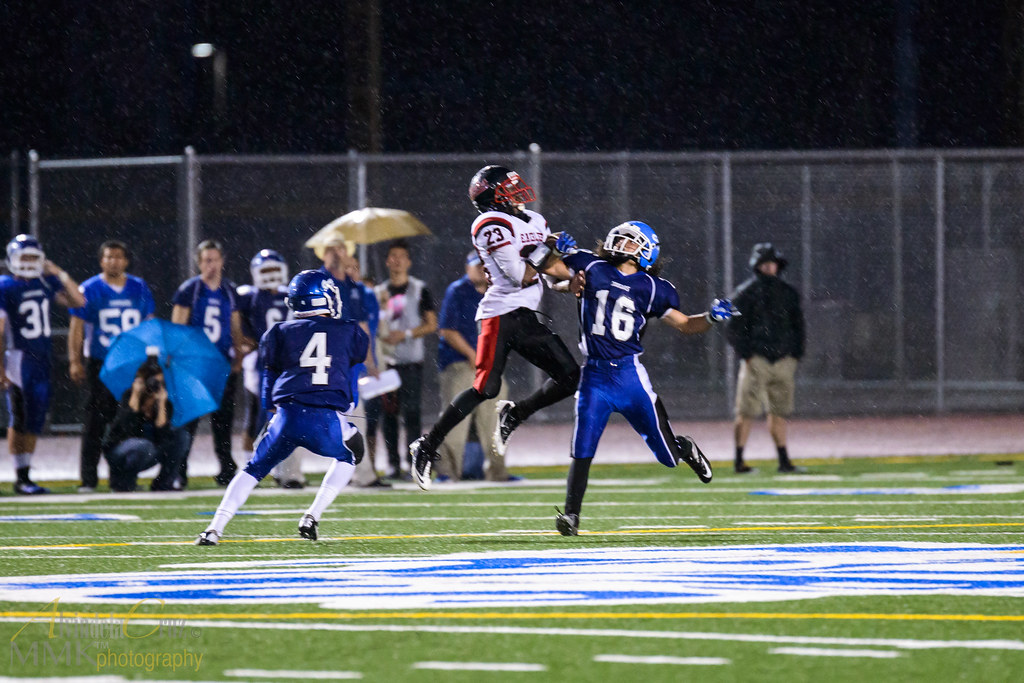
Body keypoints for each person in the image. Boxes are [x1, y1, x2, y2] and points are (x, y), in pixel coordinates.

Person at [544, 222, 738, 535]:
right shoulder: (590, 264)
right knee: (582, 448)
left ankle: (684, 447)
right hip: (593, 374)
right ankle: (571, 516)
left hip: (630, 376)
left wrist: (712, 318)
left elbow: (686, 324)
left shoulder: (653, 288)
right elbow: (552, 274)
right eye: (619, 238)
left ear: (647, 252)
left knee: (668, 458)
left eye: (630, 242)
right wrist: (557, 251)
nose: (620, 243)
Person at [410, 165, 580, 490]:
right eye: (508, 189)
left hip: (526, 315)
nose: (518, 193)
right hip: (498, 314)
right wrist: (551, 249)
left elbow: (546, 269)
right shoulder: (490, 224)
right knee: (485, 388)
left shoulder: (535, 220)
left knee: (571, 376)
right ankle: (427, 446)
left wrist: (573, 278)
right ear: (493, 197)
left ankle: (515, 414)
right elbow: (523, 275)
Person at [195, 270, 369, 545]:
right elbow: (353, 370)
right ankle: (312, 515)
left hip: (286, 415)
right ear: (323, 298)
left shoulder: (278, 332)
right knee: (351, 454)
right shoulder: (349, 331)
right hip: (324, 420)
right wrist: (348, 403)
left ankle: (213, 529)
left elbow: (270, 377)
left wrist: (270, 412)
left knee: (252, 470)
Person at [68, 240, 156, 493]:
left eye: (118, 257)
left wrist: (150, 361)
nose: (114, 261)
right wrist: (75, 360)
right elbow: (77, 327)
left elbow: (148, 326)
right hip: (102, 364)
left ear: (126, 261)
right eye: (109, 257)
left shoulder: (138, 287)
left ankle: (123, 478)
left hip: (131, 364)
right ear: (101, 261)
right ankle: (89, 479)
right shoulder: (90, 288)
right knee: (95, 421)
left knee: (130, 419)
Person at [0, 234, 85, 494]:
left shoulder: (46, 281)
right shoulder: (5, 286)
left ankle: (26, 475)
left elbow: (79, 301)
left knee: (36, 417)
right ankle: (21, 476)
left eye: (32, 257)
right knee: (20, 417)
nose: (27, 262)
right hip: (19, 356)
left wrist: (59, 272)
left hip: (42, 357)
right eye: (22, 257)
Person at [171, 239, 249, 486]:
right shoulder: (190, 290)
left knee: (223, 422)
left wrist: (238, 355)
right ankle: (178, 471)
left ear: (222, 262)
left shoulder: (229, 290)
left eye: (214, 259)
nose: (211, 265)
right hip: (195, 365)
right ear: (199, 262)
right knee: (188, 421)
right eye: (206, 260)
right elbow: (177, 328)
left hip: (221, 365)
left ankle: (226, 469)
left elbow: (235, 326)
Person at [434, 251, 515, 482]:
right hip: (461, 365)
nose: (481, 269)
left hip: (489, 368)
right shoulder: (458, 291)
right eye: (476, 265)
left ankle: (498, 472)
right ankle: (448, 473)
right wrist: (473, 354)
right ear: (467, 268)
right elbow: (447, 330)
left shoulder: (497, 292)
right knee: (456, 423)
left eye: (484, 265)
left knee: (497, 422)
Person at [726, 242, 806, 474]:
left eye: (772, 263)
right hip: (757, 359)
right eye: (765, 263)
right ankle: (739, 461)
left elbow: (798, 326)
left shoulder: (788, 293)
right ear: (757, 266)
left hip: (783, 360)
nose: (770, 267)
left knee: (779, 411)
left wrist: (795, 354)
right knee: (746, 411)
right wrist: (748, 354)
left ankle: (784, 461)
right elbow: (733, 328)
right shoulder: (745, 293)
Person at [315, 239, 387, 487]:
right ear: (323, 255)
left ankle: (362, 474)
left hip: (347, 365)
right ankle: (287, 474)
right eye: (331, 248)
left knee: (354, 417)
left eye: (341, 248)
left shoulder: (353, 288)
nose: (337, 253)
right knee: (301, 416)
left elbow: (362, 327)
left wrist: (371, 361)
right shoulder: (316, 281)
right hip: (319, 360)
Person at [372, 240, 437, 479]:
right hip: (388, 364)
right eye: (393, 256)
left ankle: (414, 462)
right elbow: (375, 324)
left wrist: (407, 334)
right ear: (387, 260)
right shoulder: (380, 292)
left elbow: (431, 324)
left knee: (412, 415)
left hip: (411, 363)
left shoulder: (419, 289)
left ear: (408, 261)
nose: (397, 260)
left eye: (402, 256)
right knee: (388, 416)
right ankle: (392, 463)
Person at [235, 249, 298, 486]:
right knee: (256, 416)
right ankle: (247, 466)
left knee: (283, 418)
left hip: (285, 366)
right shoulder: (249, 296)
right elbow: (235, 318)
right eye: (266, 269)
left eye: (274, 269)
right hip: (259, 366)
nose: (271, 274)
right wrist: (244, 338)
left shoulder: (289, 295)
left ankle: (281, 469)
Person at [102, 353, 189, 492]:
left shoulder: (164, 402)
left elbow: (164, 436)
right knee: (142, 446)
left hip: (148, 451)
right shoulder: (128, 396)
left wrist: (160, 404)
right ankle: (122, 482)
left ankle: (164, 483)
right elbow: (125, 430)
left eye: (161, 383)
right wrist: (136, 396)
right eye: (154, 382)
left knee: (181, 437)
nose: (156, 386)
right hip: (120, 451)